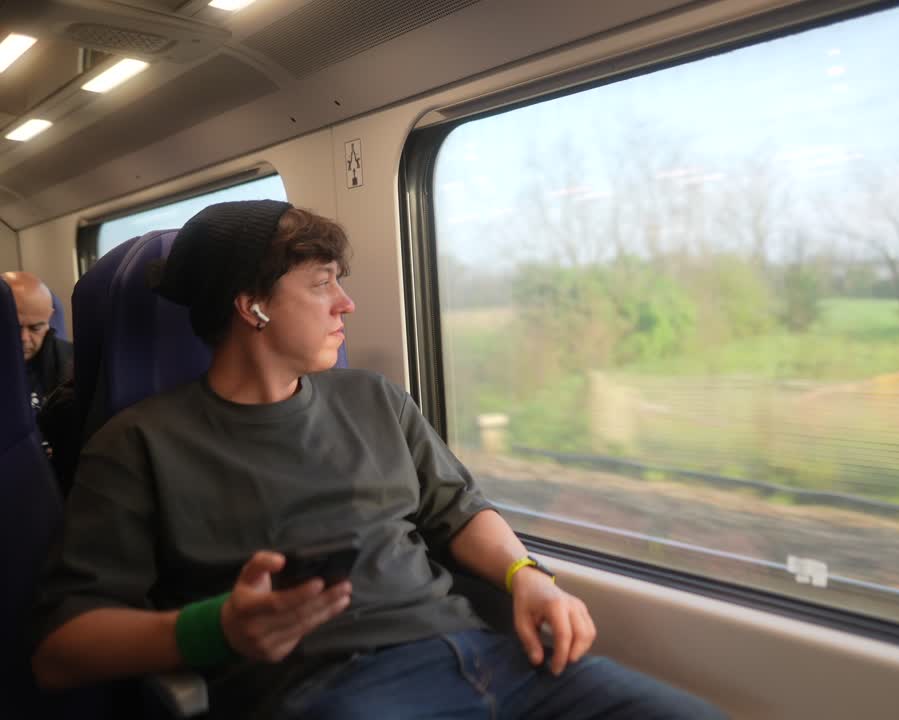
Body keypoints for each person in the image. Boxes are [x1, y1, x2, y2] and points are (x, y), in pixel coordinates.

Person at [30, 201, 723, 720]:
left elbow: (459, 509)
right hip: (335, 690)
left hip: (494, 660)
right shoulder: (137, 444)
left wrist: (529, 578)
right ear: (252, 307)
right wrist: (218, 628)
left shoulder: (373, 398)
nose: (346, 303)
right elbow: (62, 650)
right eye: (321, 283)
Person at [1, 271, 72, 417]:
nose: (23, 338)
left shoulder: (73, 364)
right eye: (13, 327)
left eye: (35, 328)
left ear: (49, 317)